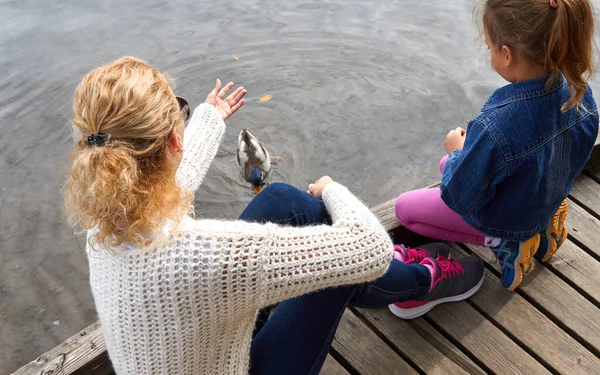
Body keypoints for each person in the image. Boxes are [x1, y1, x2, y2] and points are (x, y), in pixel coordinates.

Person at [64, 57, 484, 375]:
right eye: (182, 114)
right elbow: (368, 248)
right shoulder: (210, 256)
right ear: (175, 138)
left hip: (203, 353)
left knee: (281, 200)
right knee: (343, 268)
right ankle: (421, 281)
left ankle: (397, 283)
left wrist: (208, 118)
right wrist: (331, 189)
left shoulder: (103, 228)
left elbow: (175, 179)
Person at [395, 0, 599, 291]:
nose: (490, 54)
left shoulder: (498, 127)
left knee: (405, 210)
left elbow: (459, 195)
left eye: (490, 47)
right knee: (448, 164)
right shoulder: (580, 93)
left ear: (506, 54)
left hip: (510, 215)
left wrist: (457, 151)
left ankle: (506, 240)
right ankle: (543, 221)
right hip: (544, 195)